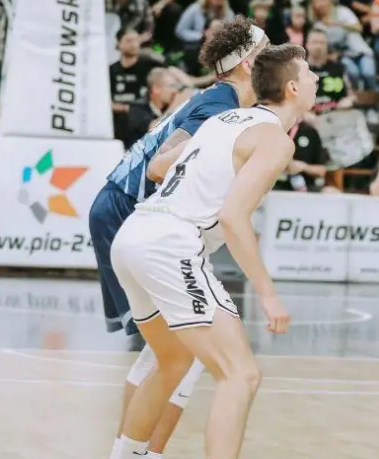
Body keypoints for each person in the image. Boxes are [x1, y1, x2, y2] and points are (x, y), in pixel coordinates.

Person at [106, 43, 312, 459]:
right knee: (241, 375)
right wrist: (268, 294)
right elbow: (235, 217)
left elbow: (158, 166)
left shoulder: (226, 121)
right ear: (292, 88)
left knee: (172, 362)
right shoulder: (275, 140)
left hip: (135, 235)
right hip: (171, 244)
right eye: (309, 74)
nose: (315, 80)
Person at [88, 19, 266, 459]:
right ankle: (142, 453)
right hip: (134, 210)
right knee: (179, 352)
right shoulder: (220, 103)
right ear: (246, 64)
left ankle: (133, 451)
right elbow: (163, 163)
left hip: (126, 208)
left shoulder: (222, 100)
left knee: (169, 351)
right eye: (266, 52)